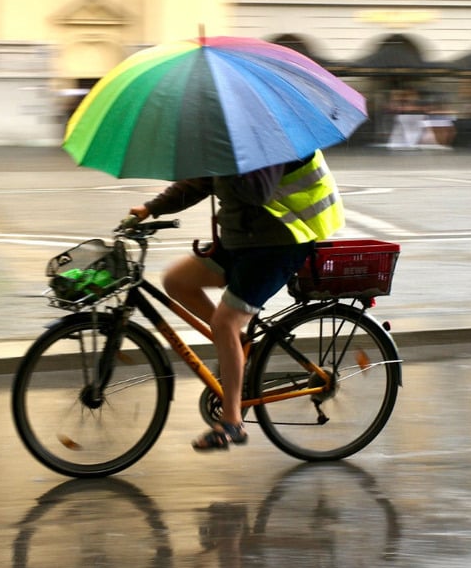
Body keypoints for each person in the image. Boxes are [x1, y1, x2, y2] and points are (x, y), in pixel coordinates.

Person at [127, 149, 345, 451]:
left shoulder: (272, 140)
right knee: (176, 281)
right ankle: (237, 344)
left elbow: (257, 191)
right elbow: (201, 183)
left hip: (279, 243)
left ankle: (232, 423)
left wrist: (227, 159)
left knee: (224, 322)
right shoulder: (230, 137)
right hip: (241, 238)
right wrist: (150, 208)